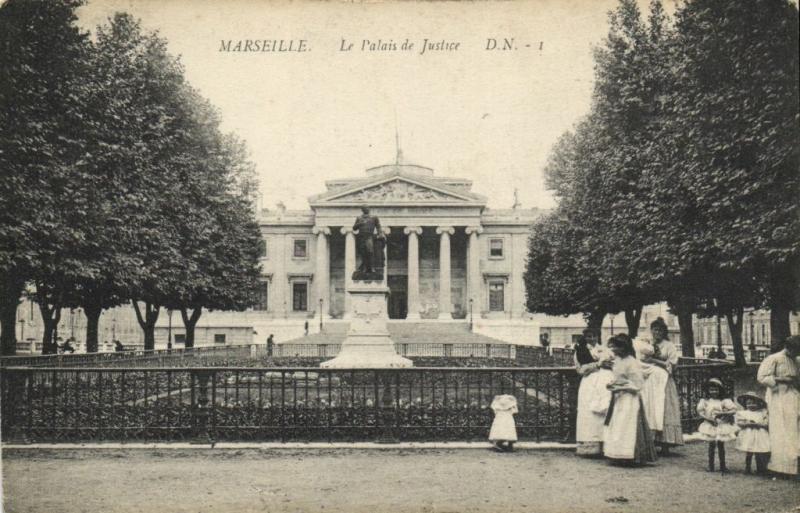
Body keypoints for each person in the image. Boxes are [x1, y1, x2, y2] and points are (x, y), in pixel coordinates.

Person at [603, 334, 657, 465]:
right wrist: (612, 384)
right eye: (613, 346)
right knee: (618, 425)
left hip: (629, 398)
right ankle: (617, 455)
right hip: (619, 398)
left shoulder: (631, 362)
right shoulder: (618, 361)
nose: (614, 349)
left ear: (624, 347)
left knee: (627, 426)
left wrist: (622, 387)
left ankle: (629, 455)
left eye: (617, 347)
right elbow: (618, 377)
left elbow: (638, 384)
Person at [638, 317, 684, 453]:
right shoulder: (648, 344)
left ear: (664, 332)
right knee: (651, 408)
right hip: (650, 381)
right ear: (651, 331)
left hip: (664, 382)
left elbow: (672, 364)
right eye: (655, 330)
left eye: (660, 330)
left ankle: (666, 443)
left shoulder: (668, 346)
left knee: (665, 409)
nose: (657, 333)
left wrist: (655, 360)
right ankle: (651, 441)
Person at [757, 335, 800, 476]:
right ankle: (778, 466)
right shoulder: (774, 359)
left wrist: (794, 381)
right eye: (795, 351)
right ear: (788, 347)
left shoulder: (796, 360)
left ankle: (793, 465)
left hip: (792, 396)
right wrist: (781, 379)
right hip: (777, 397)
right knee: (779, 430)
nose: (796, 354)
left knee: (793, 430)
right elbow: (762, 377)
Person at [574, 333, 614, 456]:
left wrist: (608, 365)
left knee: (603, 410)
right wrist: (597, 365)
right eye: (589, 337)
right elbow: (580, 370)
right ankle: (590, 447)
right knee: (589, 412)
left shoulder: (604, 349)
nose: (591, 339)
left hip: (603, 382)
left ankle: (604, 445)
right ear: (585, 338)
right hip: (589, 382)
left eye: (593, 336)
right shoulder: (580, 351)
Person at [696, 378, 738, 473]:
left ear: (720, 390)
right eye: (711, 390)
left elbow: (734, 409)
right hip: (710, 424)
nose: (714, 392)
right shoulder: (705, 401)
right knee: (711, 445)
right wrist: (708, 419)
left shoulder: (724, 401)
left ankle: (723, 466)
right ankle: (711, 466)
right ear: (708, 390)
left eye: (716, 389)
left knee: (721, 445)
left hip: (721, 425)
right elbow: (700, 412)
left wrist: (724, 414)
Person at [735, 391, 770, 475]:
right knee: (749, 452)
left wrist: (758, 424)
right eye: (749, 403)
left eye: (754, 403)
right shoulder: (743, 413)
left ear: (758, 404)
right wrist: (748, 424)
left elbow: (766, 423)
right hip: (749, 434)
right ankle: (747, 468)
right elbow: (739, 423)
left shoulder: (762, 413)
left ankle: (760, 469)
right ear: (745, 405)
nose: (751, 405)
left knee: (759, 451)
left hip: (759, 435)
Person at [352, 206, 384, 275]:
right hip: (361, 237)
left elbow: (378, 226)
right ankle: (364, 268)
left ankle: (372, 267)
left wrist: (380, 233)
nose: (367, 209)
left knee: (370, 251)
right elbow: (354, 228)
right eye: (365, 208)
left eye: (368, 208)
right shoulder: (359, 218)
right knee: (363, 252)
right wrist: (360, 224)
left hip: (369, 236)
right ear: (362, 210)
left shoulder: (374, 217)